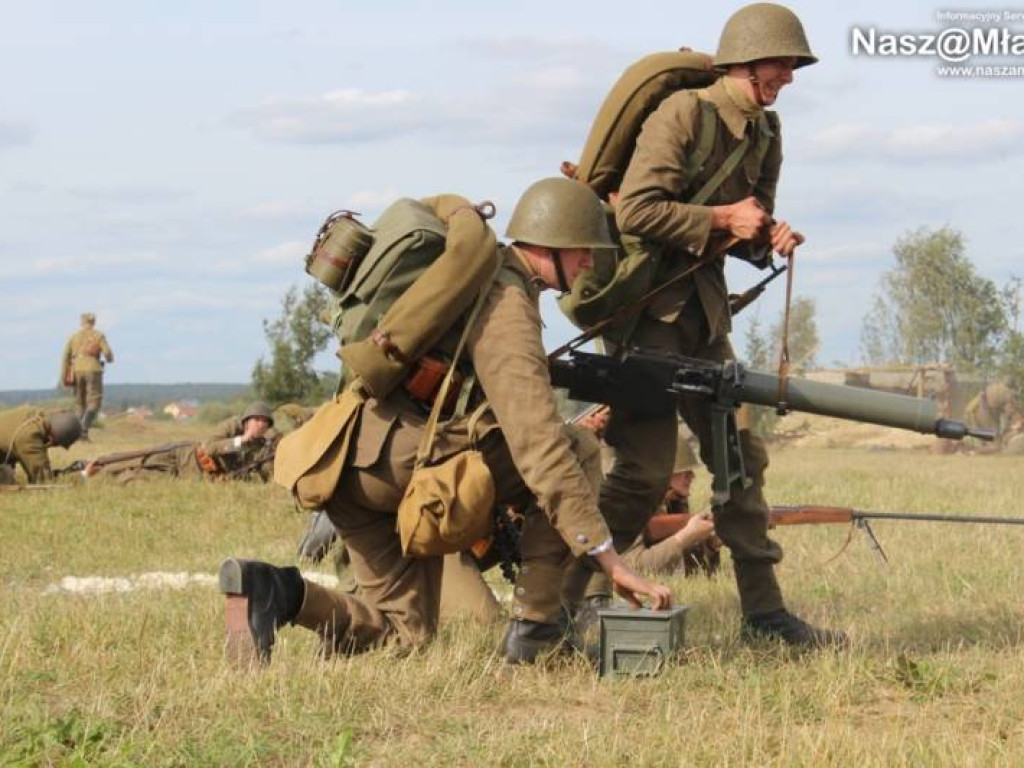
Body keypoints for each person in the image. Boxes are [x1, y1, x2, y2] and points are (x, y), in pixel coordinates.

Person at [219, 180, 672, 665]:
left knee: (405, 634)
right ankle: (538, 630)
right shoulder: (506, 301)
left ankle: (278, 593)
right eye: (583, 250)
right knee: (574, 448)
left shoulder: (470, 276)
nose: (589, 264)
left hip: (349, 465)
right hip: (405, 470)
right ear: (551, 242)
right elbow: (538, 444)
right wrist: (610, 560)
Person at [568, 3, 846, 647]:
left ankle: (766, 617)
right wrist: (724, 219)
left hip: (704, 318)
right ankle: (575, 600)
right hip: (645, 317)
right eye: (782, 64)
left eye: (794, 65)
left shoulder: (766, 134)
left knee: (740, 461)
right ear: (746, 62)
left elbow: (742, 229)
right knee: (642, 471)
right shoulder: (684, 115)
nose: (790, 78)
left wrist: (766, 236)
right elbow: (637, 211)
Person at [85, 401, 278, 483]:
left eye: (265, 422)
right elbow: (210, 447)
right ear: (246, 420)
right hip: (185, 456)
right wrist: (240, 441)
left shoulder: (261, 447)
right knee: (141, 458)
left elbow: (266, 472)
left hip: (195, 475)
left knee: (143, 477)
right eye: (256, 420)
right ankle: (93, 469)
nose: (260, 425)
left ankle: (112, 478)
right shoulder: (232, 427)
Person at [61, 313, 114, 440]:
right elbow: (107, 353)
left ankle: (76, 432)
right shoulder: (98, 335)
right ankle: (83, 431)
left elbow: (65, 358)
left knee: (80, 403)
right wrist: (109, 358)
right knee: (94, 402)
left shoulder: (73, 337)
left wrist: (64, 377)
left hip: (77, 369)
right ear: (94, 322)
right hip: (93, 369)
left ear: (82, 322)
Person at [0, 406, 82, 484]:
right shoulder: (30, 436)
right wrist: (83, 475)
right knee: (6, 479)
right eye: (56, 444)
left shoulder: (35, 416)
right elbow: (43, 481)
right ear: (52, 439)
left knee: (7, 474)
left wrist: (72, 469)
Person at [963, 380, 1022, 449]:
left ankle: (974, 449)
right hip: (983, 411)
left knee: (980, 437)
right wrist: (1008, 427)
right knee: (995, 441)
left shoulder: (994, 386)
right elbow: (1010, 412)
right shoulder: (1006, 392)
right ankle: (985, 451)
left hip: (972, 410)